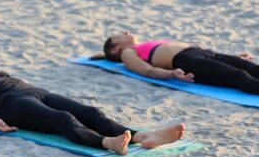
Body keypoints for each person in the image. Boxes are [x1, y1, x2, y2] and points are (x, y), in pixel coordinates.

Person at [0, 64, 185, 155]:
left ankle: (143, 136)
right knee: (63, 119)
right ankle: (108, 143)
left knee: (90, 112)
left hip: (36, 92)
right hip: (10, 104)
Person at [99, 31, 259, 94]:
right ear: (115, 49)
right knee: (240, 76)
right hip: (187, 61)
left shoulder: (142, 46)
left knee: (251, 67)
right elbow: (149, 71)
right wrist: (171, 73)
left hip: (204, 53)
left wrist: (233, 57)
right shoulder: (127, 53)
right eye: (119, 35)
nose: (125, 32)